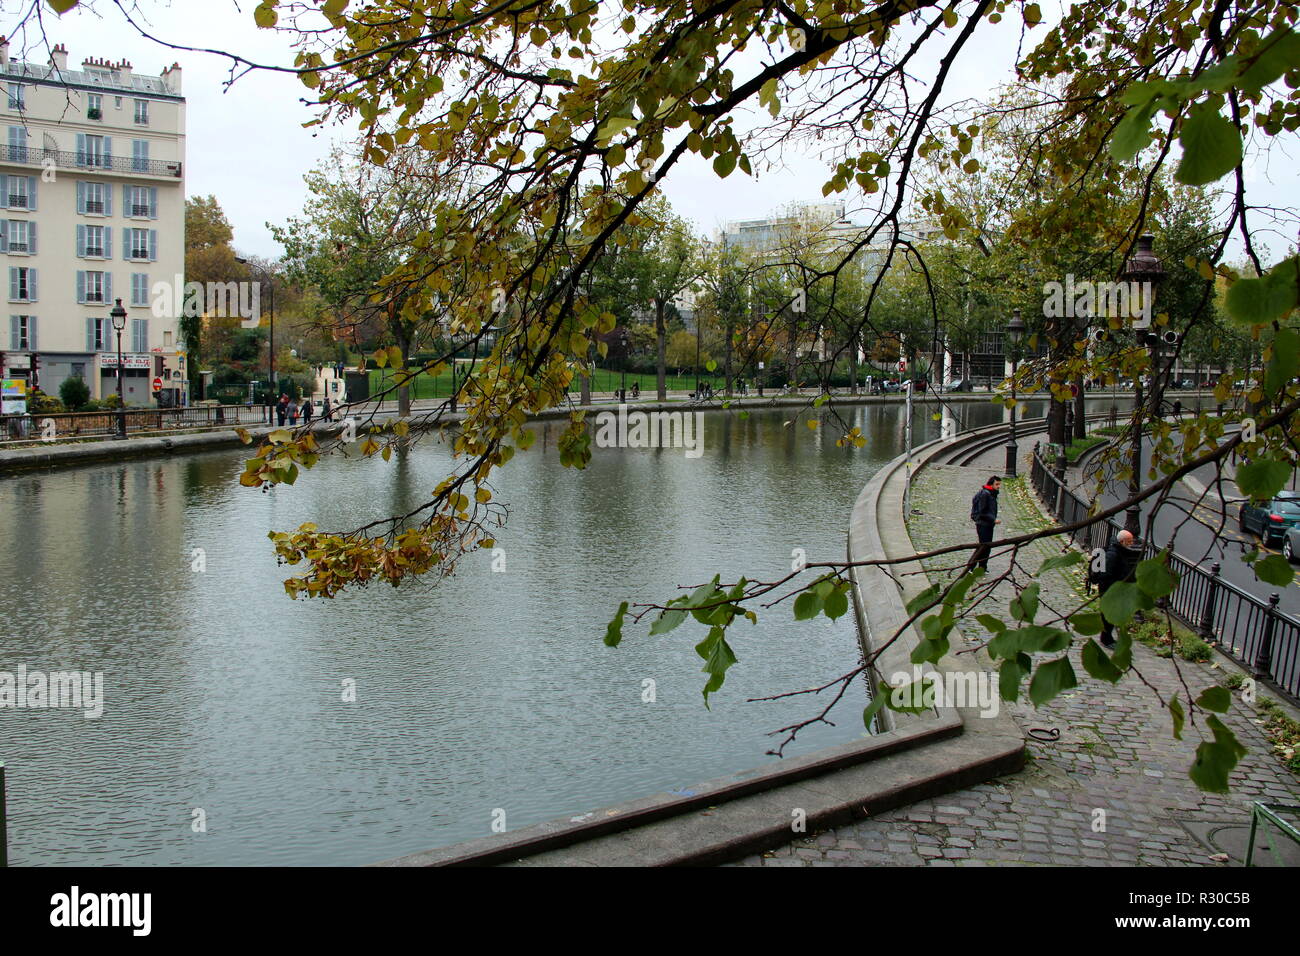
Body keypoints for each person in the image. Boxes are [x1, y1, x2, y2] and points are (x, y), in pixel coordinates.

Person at [1095, 530, 1142, 648]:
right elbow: (1106, 574)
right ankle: (1106, 639)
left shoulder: (1118, 552)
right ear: (1122, 541)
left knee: (1110, 615)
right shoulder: (1113, 554)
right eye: (1129, 541)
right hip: (1110, 590)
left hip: (1113, 589)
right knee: (1108, 615)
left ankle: (1107, 637)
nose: (1131, 543)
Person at [970, 475, 1002, 571]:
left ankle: (982, 566)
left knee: (986, 546)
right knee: (983, 546)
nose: (999, 486)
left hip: (987, 524)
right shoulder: (985, 494)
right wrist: (993, 519)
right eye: (997, 484)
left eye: (999, 484)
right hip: (983, 524)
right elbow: (982, 511)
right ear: (991, 484)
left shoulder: (991, 493)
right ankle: (971, 566)